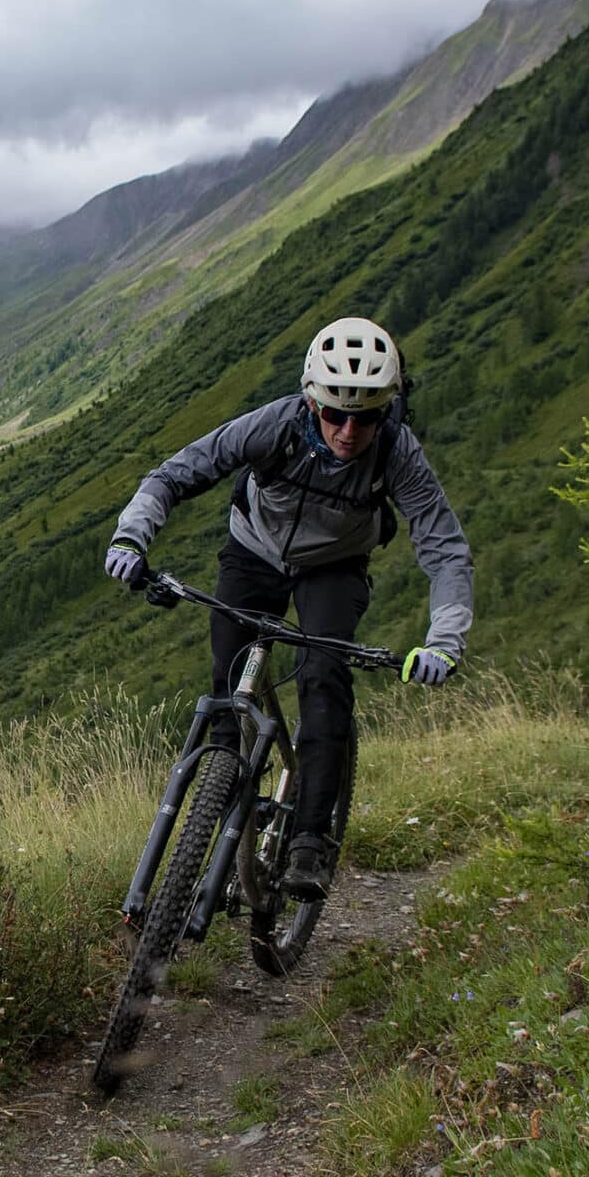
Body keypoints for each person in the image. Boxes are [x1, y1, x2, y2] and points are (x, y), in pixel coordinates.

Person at [102, 318, 473, 901]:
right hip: (253, 551)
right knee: (227, 680)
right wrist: (131, 538)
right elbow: (174, 474)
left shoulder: (398, 455)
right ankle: (218, 801)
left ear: (388, 412)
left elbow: (445, 549)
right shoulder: (274, 426)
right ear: (311, 400)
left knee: (326, 677)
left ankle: (310, 839)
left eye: (368, 417)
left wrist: (443, 641)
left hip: (335, 567)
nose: (350, 431)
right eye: (335, 414)